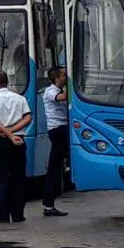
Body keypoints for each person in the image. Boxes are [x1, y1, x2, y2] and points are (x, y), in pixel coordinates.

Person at [0, 69, 31, 224]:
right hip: (19, 139)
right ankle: (18, 214)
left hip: (0, 141)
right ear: (7, 82)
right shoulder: (20, 99)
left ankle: (1, 214)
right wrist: (13, 132)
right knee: (18, 177)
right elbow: (28, 118)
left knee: (1, 178)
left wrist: (7, 133)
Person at [41, 66, 69, 217]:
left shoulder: (60, 90)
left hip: (64, 128)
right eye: (64, 75)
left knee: (56, 165)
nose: (66, 78)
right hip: (57, 129)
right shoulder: (50, 91)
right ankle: (48, 203)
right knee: (54, 166)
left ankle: (49, 202)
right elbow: (62, 98)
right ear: (56, 78)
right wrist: (75, 86)